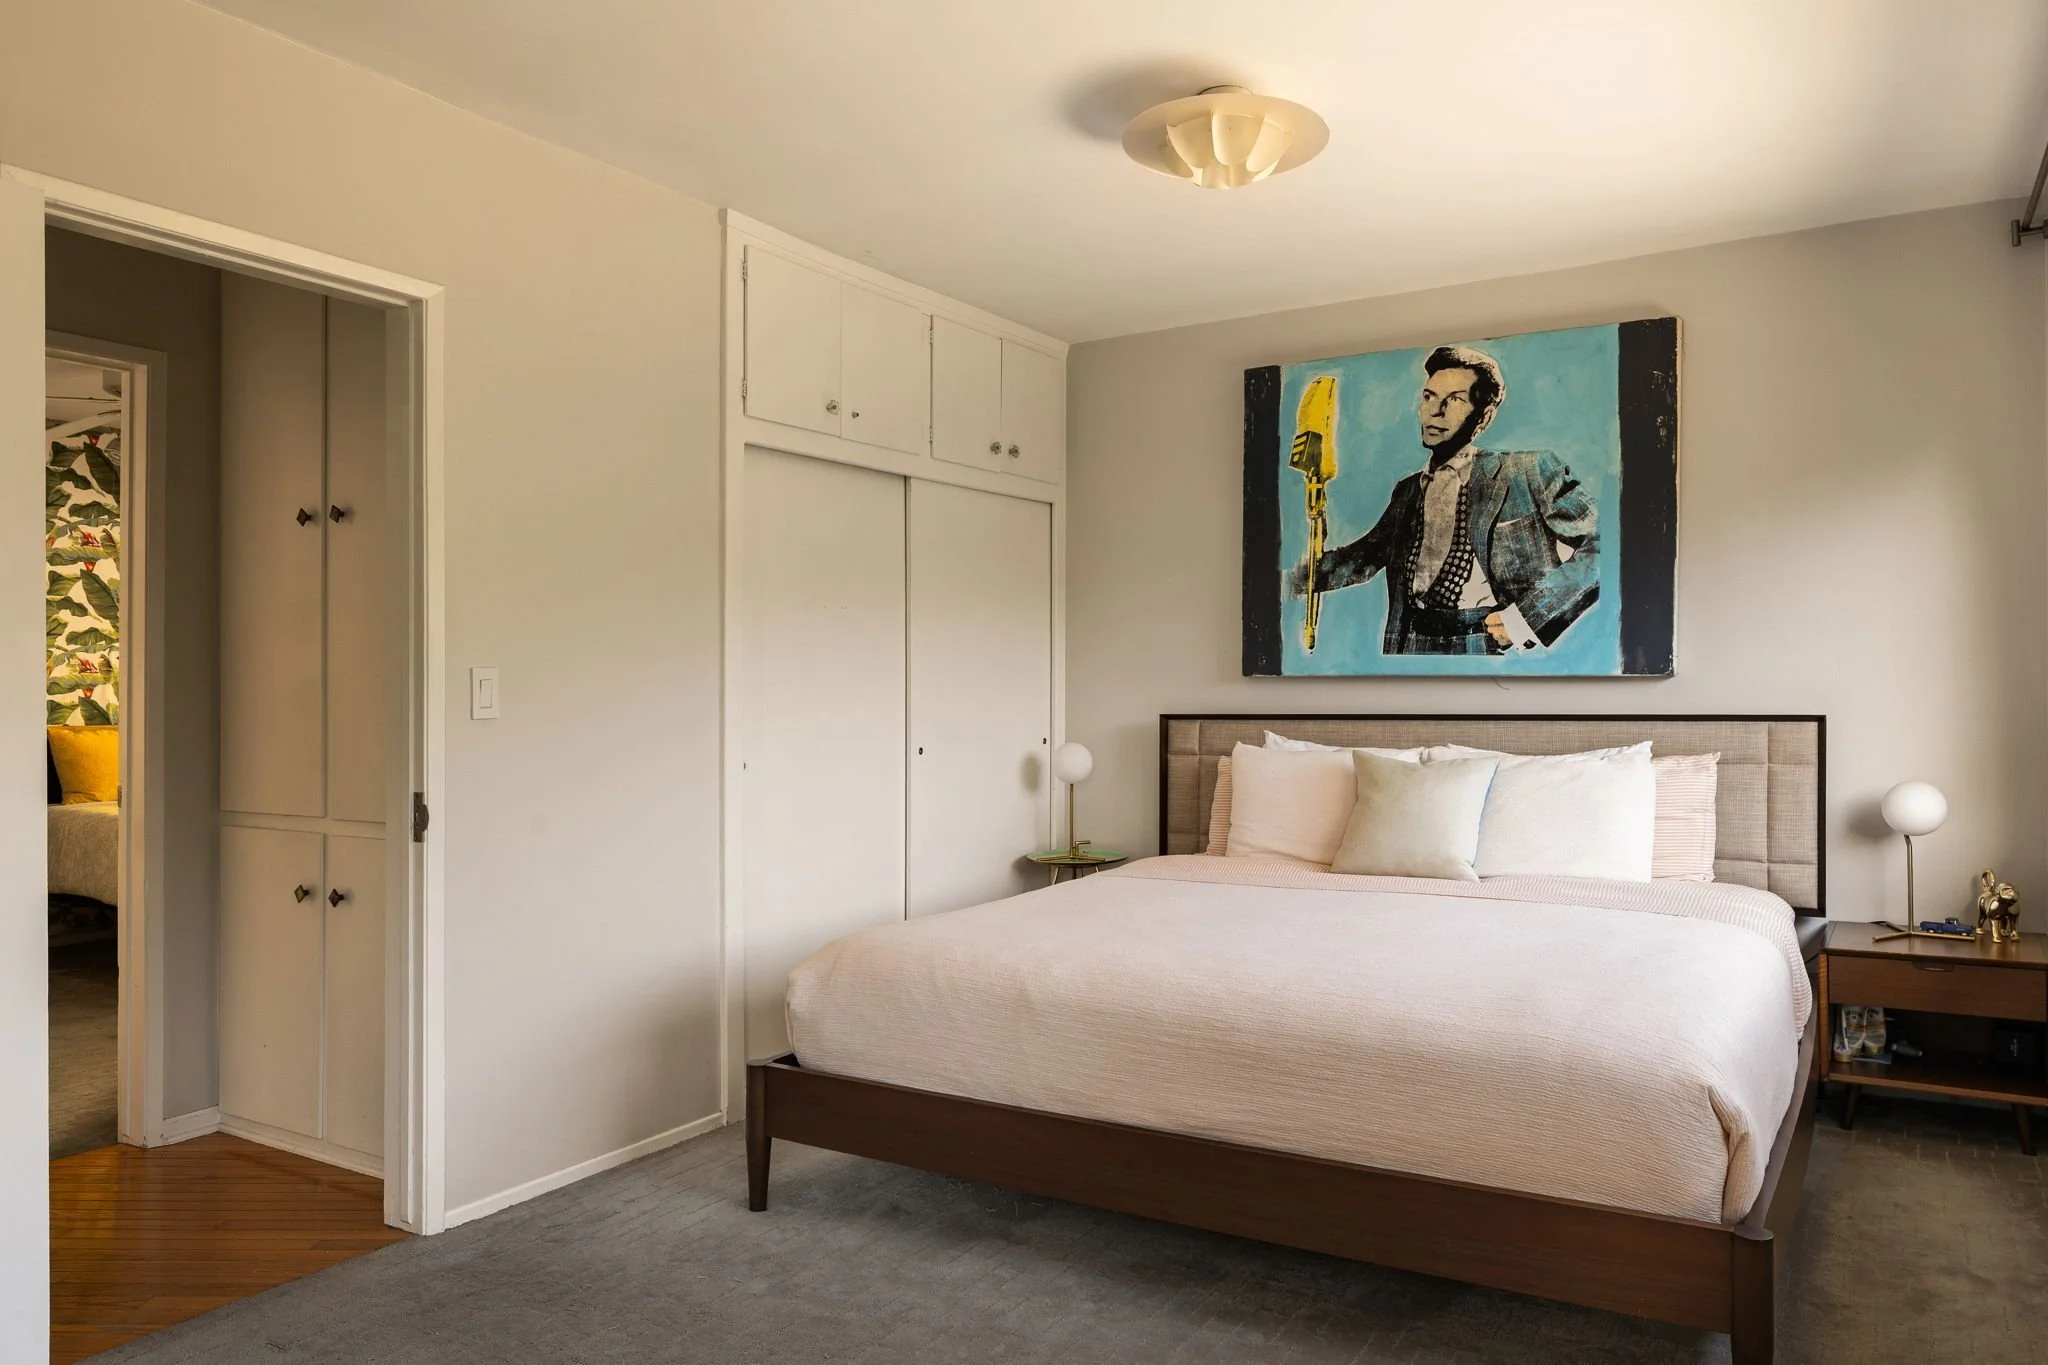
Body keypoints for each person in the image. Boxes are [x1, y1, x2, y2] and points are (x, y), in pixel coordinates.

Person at [1293, 344, 1598, 655]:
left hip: (1489, 647)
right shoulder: (1408, 492)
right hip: (1409, 646)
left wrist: (1523, 620)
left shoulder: (1527, 472)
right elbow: (1361, 560)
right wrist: (1283, 578)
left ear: (1484, 416)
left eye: (1454, 400)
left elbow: (1606, 548)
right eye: (1429, 397)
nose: (1435, 411)